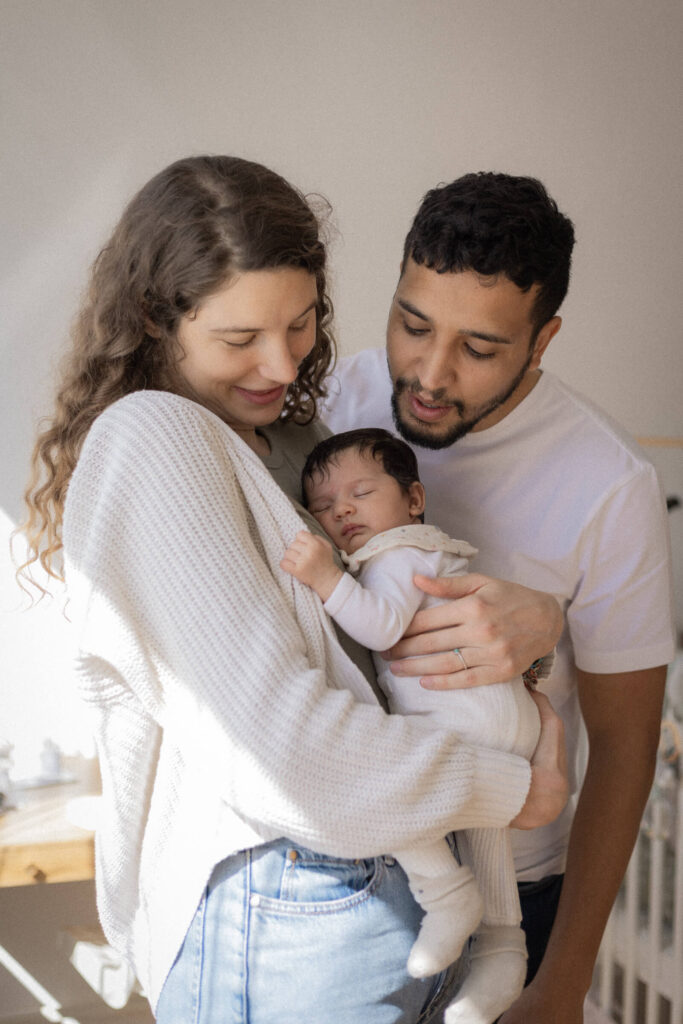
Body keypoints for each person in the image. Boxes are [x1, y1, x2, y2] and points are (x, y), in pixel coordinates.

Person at [19, 156, 567, 1024]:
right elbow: (288, 758)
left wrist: (533, 650)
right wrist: (511, 781)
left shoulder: (281, 433)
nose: (280, 363)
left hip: (374, 872)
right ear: (158, 318)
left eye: (302, 323)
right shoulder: (153, 438)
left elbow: (379, 651)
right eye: (241, 340)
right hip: (291, 892)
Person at [322, 172, 676, 1024]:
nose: (430, 374)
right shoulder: (334, 400)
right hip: (342, 875)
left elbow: (624, 755)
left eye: (478, 348)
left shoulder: (609, 485)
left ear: (542, 338)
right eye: (413, 324)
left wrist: (561, 985)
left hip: (513, 887)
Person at [282, 426, 551, 1024]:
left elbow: (379, 629)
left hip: (462, 722)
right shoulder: (425, 548)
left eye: (360, 492)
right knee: (488, 842)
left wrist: (326, 578)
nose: (341, 509)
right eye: (323, 505)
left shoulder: (395, 554)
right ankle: (504, 953)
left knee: (382, 784)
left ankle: (444, 893)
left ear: (412, 500)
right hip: (496, 719)